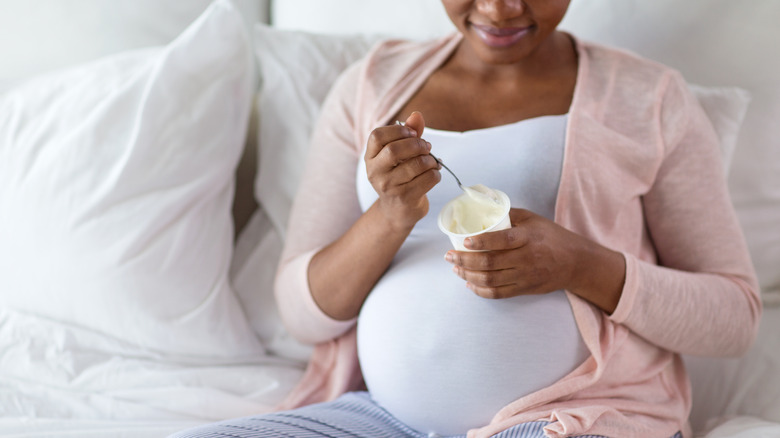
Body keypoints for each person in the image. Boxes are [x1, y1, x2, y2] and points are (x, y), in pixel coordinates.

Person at [170, 0, 761, 437]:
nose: (501, 9)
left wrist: (581, 264)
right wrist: (392, 214)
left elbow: (734, 317)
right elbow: (303, 315)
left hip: (572, 419)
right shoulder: (370, 85)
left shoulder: (650, 98)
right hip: (383, 419)